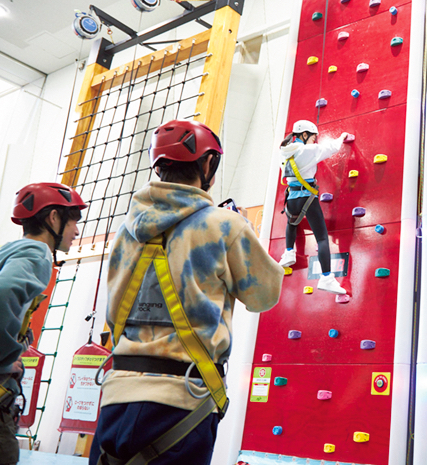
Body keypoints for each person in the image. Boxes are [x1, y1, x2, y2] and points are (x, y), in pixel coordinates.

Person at [90, 120, 284, 465]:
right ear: (208, 164)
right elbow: (263, 296)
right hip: (182, 402)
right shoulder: (224, 225)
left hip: (116, 397)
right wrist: (245, 235)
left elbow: (112, 308)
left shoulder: (126, 231)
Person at [1, 182, 86, 465]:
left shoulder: (9, 251)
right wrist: (4, 359)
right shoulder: (37, 254)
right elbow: (5, 294)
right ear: (53, 218)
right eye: (73, 220)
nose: (76, 231)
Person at [278, 120, 351, 295]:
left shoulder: (284, 151)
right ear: (304, 135)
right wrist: (342, 136)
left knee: (292, 223)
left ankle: (288, 253)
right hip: (307, 197)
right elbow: (332, 148)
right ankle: (327, 278)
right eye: (313, 137)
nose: (314, 141)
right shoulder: (307, 150)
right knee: (322, 238)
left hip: (292, 198)